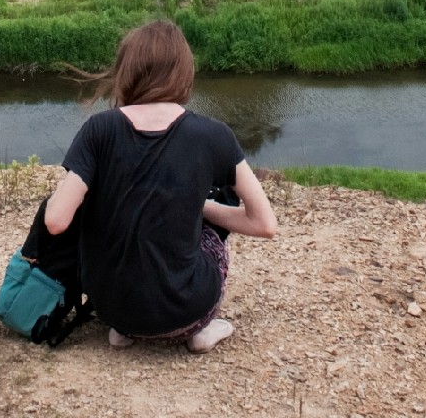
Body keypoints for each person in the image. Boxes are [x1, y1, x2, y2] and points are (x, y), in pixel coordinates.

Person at [43, 19, 279, 353]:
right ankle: (202, 329)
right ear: (184, 72)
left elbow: (55, 221)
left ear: (128, 71)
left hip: (111, 309)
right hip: (187, 311)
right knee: (212, 230)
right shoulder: (213, 135)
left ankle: (126, 332)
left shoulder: (99, 130)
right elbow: (265, 224)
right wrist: (198, 207)